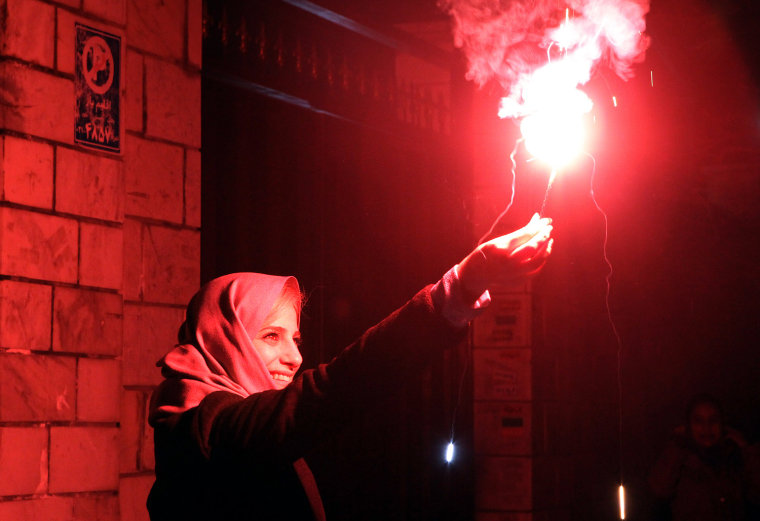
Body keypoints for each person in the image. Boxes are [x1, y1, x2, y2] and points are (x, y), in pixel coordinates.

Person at [146, 214, 554, 521]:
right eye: (271, 336)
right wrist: (457, 289)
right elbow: (334, 390)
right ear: (221, 339)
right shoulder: (205, 430)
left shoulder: (238, 430)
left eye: (296, 339)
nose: (295, 357)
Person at [649, 394, 760, 521]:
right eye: (698, 421)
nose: (706, 427)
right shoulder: (679, 460)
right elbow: (659, 490)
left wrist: (746, 450)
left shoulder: (736, 458)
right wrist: (677, 445)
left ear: (723, 424)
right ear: (688, 426)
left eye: (713, 420)